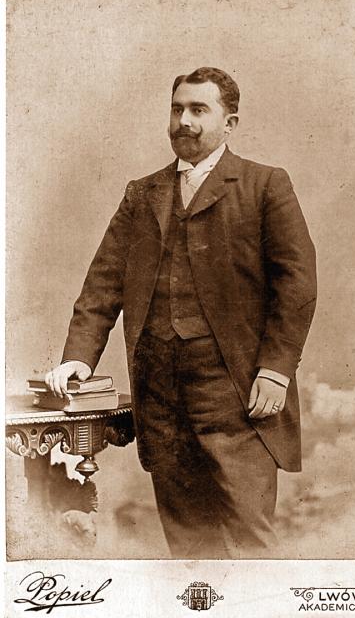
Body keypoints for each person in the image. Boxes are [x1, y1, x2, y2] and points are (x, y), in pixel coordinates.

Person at [45, 67, 317, 558]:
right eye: (177, 110)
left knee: (249, 542)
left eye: (198, 110)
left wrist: (276, 371)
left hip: (236, 394)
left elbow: (297, 285)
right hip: (161, 397)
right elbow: (103, 281)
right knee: (188, 545)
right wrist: (78, 359)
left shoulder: (263, 185)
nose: (183, 121)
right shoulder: (142, 193)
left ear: (230, 123)